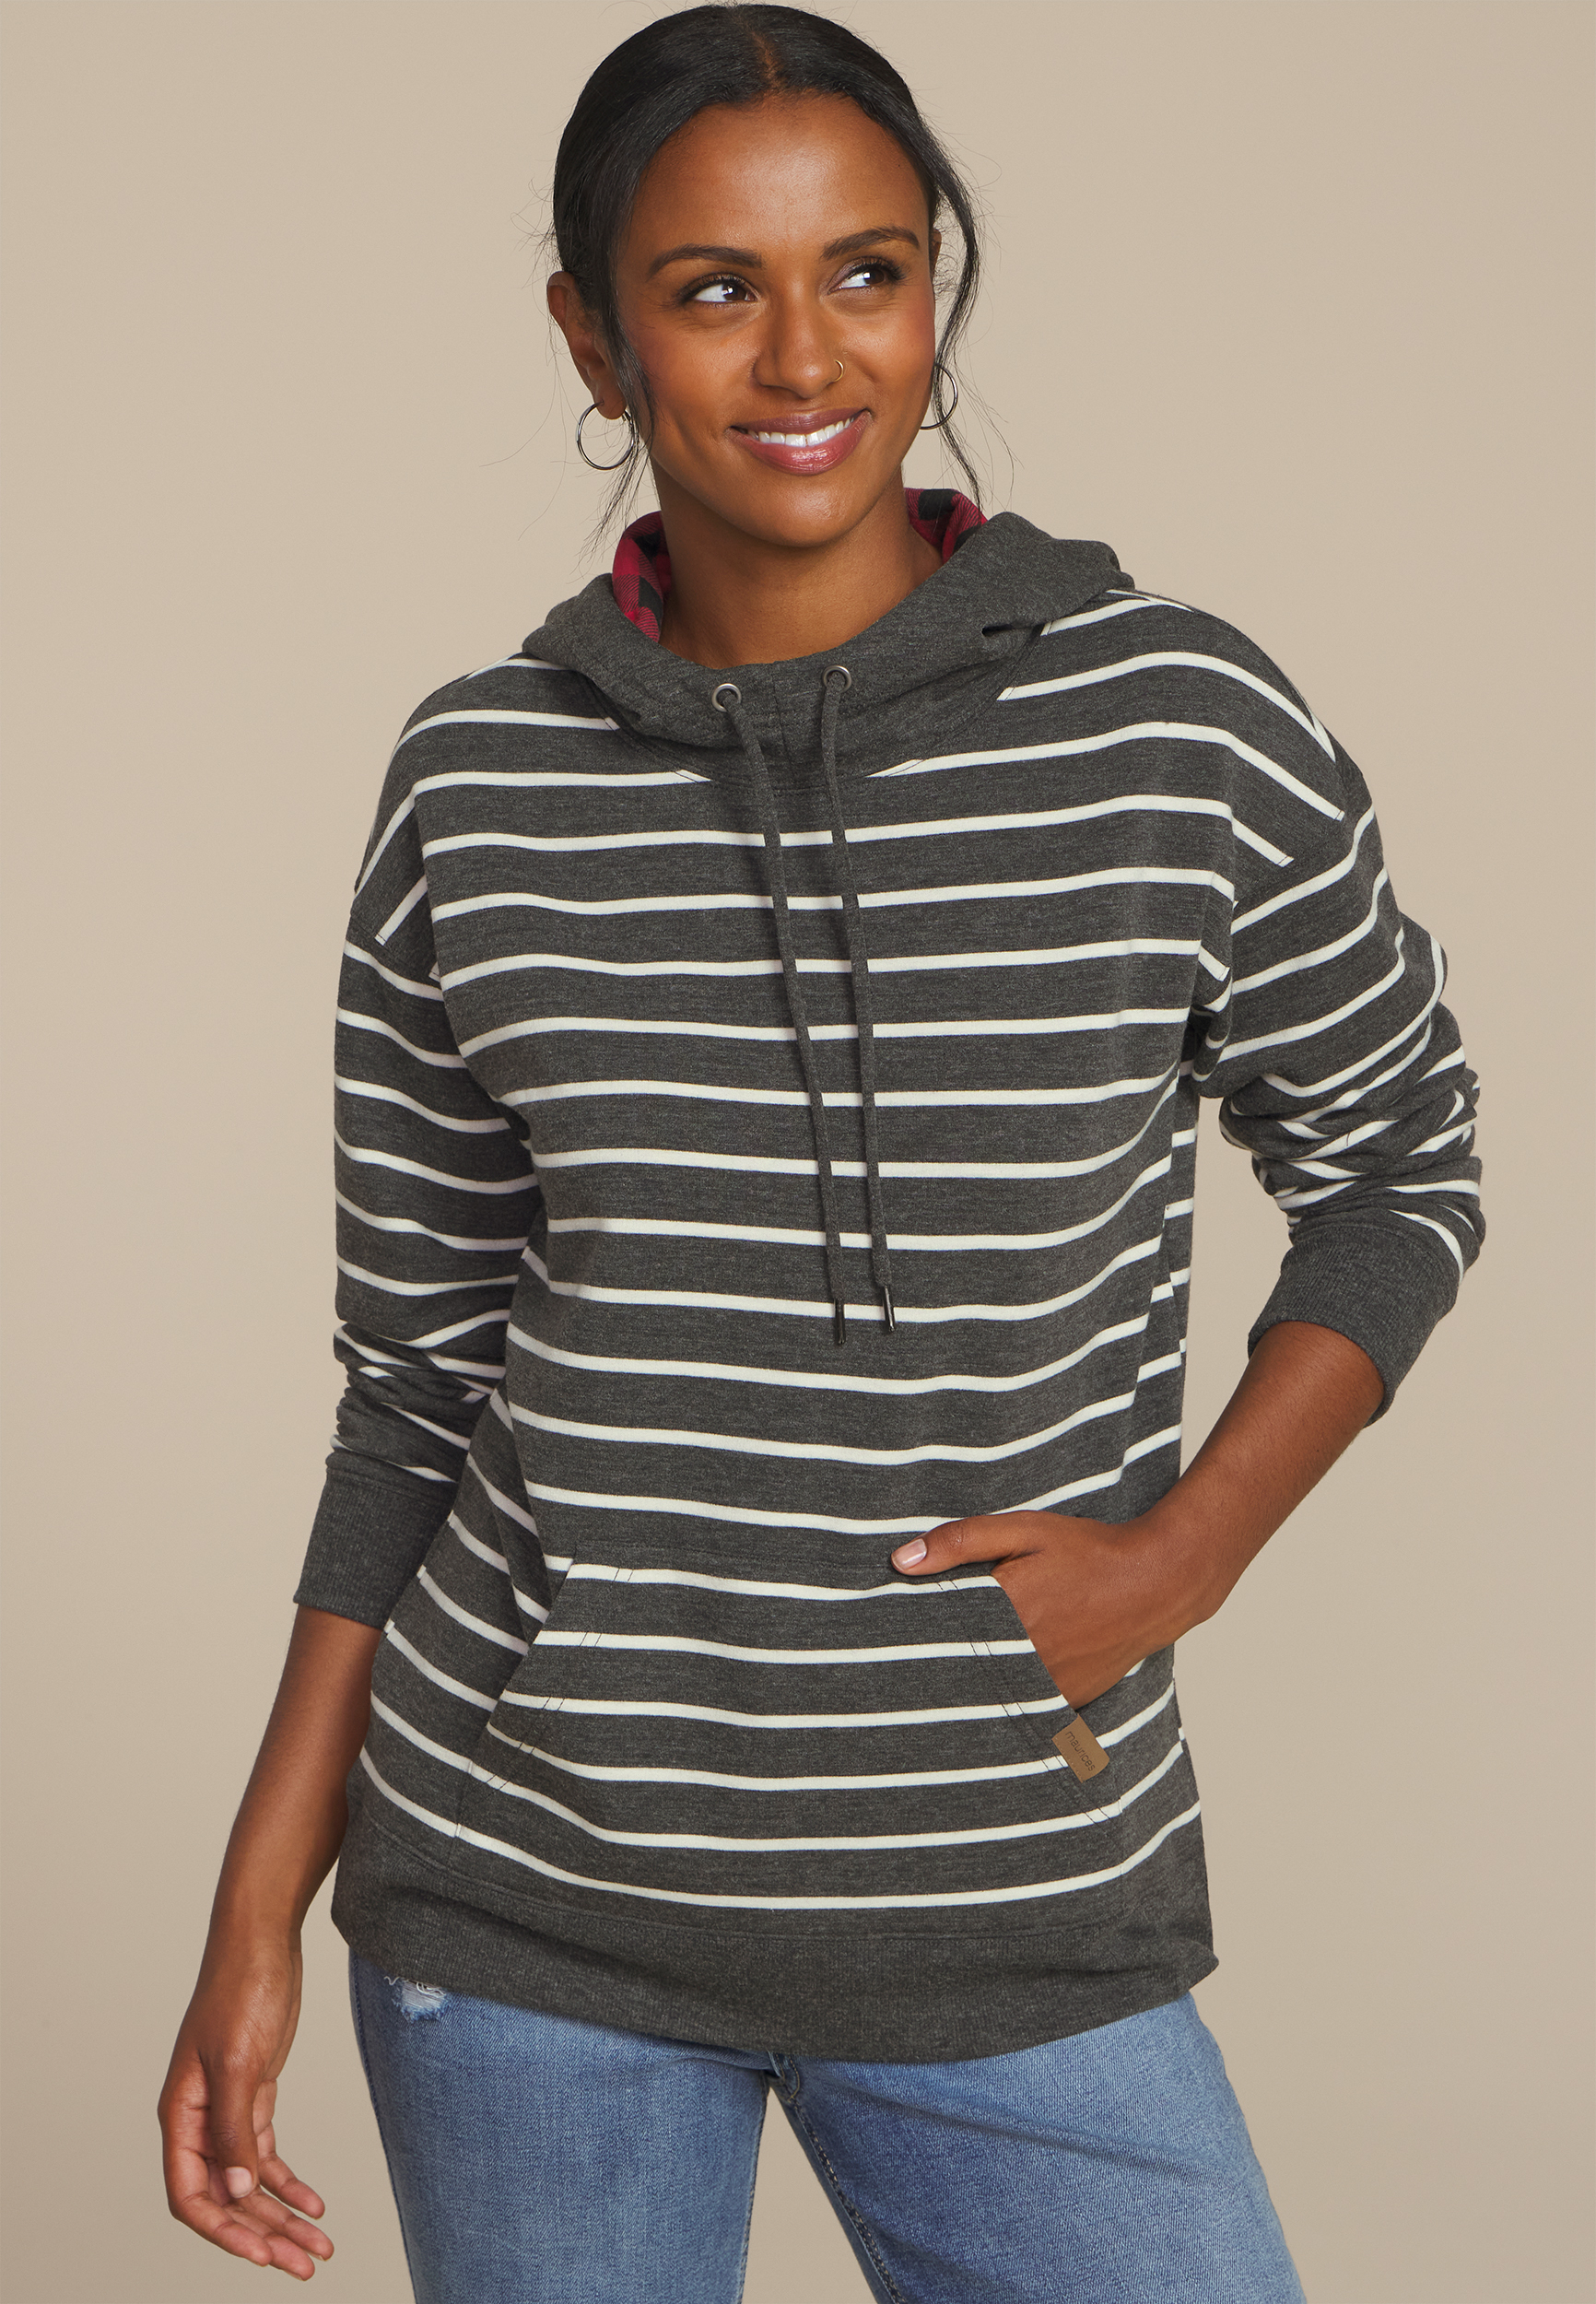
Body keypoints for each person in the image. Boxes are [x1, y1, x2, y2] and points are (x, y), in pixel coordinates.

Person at [158, 8, 1485, 2298]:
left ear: (932, 292)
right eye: (711, 289)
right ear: (592, 337)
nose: (804, 355)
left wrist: (1184, 1551)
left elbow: (1397, 1159)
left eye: (867, 271)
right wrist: (255, 1900)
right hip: (522, 1907)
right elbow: (414, 1385)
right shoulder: (477, 783)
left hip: (1008, 1898)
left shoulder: (1171, 718)